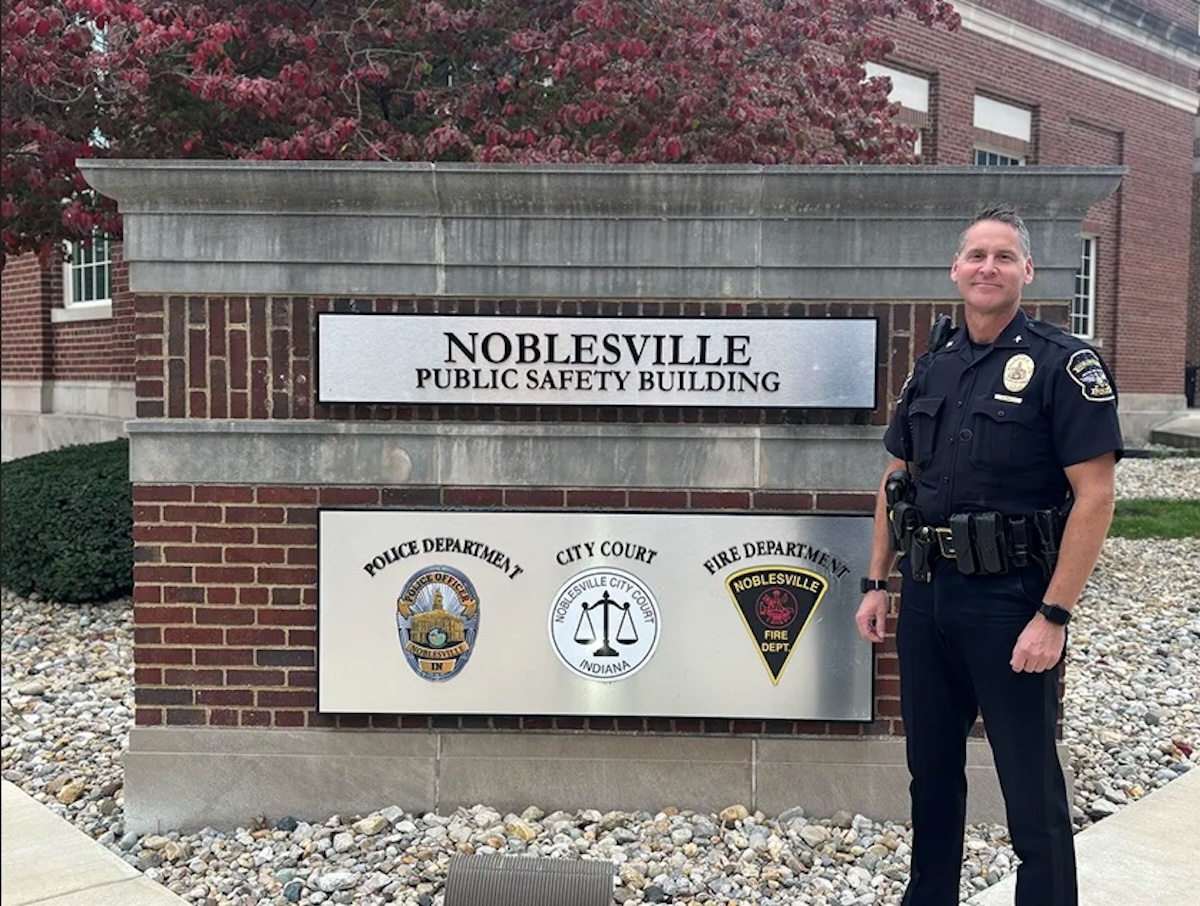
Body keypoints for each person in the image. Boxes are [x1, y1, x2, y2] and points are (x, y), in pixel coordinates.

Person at [854, 204, 1123, 906]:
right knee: (931, 774)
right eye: (976, 255)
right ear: (956, 269)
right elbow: (895, 478)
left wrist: (1054, 614)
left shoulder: (1064, 365)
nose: (988, 267)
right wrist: (876, 581)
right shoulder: (933, 366)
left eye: (1004, 257)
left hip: (1011, 601)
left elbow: (1095, 497)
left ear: (1026, 272)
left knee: (1028, 780)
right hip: (929, 595)